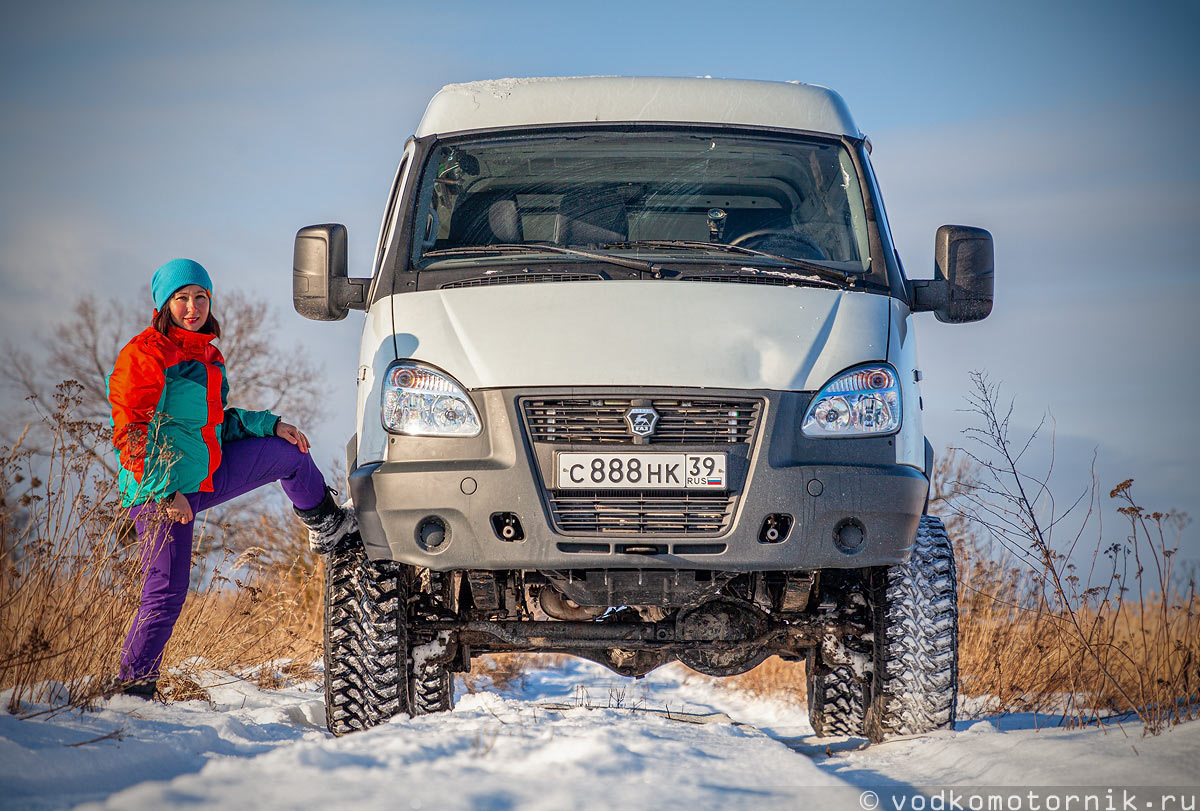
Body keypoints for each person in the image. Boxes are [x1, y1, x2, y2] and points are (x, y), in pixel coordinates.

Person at [106, 258, 355, 698]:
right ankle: (131, 690)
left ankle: (330, 526)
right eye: (181, 298)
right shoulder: (145, 354)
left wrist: (270, 425)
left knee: (287, 453)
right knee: (166, 592)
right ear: (165, 304)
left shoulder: (208, 354)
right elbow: (131, 431)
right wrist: (165, 493)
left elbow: (217, 425)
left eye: (200, 297)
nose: (192, 307)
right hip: (161, 492)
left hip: (205, 476)